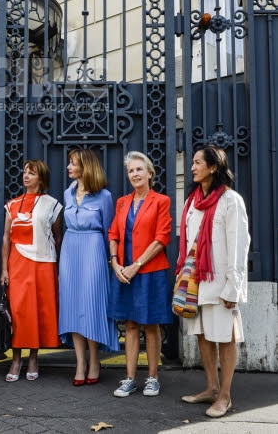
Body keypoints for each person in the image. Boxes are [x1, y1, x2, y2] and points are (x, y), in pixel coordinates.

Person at [177, 145, 250, 418]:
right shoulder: (192, 202)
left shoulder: (231, 201)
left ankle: (225, 395)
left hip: (220, 282)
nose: (193, 167)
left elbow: (239, 245)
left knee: (225, 337)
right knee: (202, 335)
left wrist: (233, 286)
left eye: (197, 162)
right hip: (196, 282)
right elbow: (187, 243)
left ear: (213, 167)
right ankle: (210, 387)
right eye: (193, 162)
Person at [108, 151, 172, 398]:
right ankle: (130, 378)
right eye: (131, 171)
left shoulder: (161, 201)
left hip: (150, 272)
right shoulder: (122, 202)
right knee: (131, 325)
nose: (134, 174)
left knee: (151, 325)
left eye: (138, 169)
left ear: (149, 173)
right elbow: (113, 234)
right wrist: (115, 263)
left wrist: (137, 264)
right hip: (125, 272)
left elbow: (161, 238)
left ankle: (153, 378)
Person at [59, 148, 119, 386]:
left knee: (92, 305)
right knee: (73, 305)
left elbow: (109, 230)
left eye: (73, 163)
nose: (69, 167)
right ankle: (80, 363)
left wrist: (107, 260)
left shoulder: (104, 196)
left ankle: (94, 361)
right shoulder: (67, 193)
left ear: (86, 167)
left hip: (94, 249)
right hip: (70, 249)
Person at [0, 160, 62, 382]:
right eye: (25, 172)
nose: (26, 176)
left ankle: (34, 358)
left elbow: (57, 237)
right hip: (18, 263)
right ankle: (16, 358)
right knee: (18, 311)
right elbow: (6, 237)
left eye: (32, 173)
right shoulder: (12, 204)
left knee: (38, 311)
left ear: (41, 178)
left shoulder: (52, 204)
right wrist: (4, 269)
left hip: (44, 264)